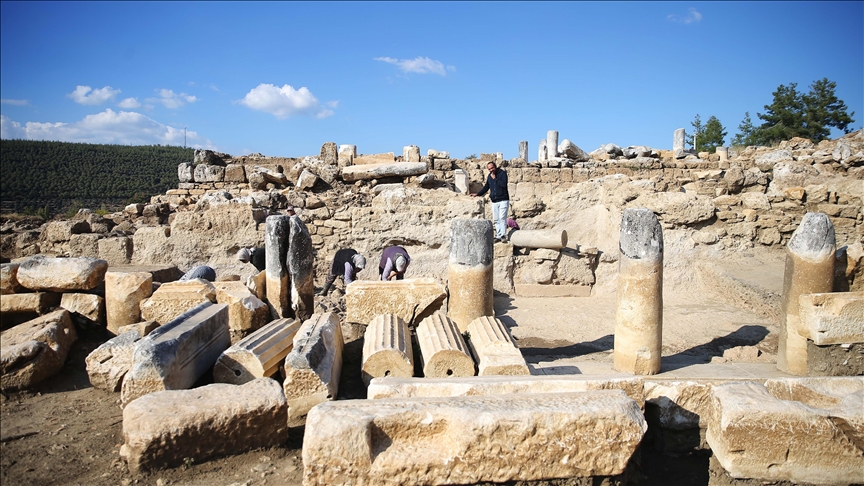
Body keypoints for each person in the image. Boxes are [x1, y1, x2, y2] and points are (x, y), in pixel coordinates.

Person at [470, 160, 510, 243]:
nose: (491, 170)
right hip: (495, 200)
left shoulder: (502, 174)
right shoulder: (489, 176)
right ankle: (498, 235)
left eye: (492, 168)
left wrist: (495, 179)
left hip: (503, 199)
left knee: (502, 218)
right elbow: (486, 187)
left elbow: (503, 184)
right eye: (489, 169)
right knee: (496, 219)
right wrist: (477, 194)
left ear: (495, 167)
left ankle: (503, 235)